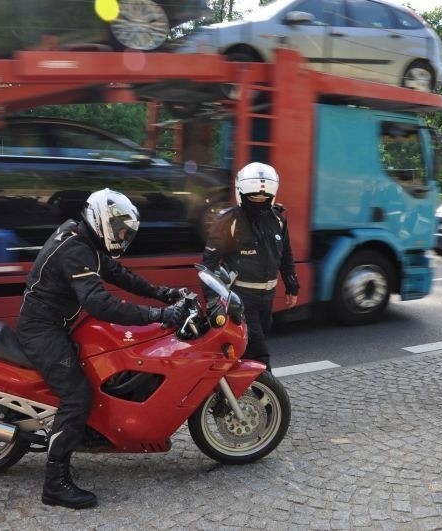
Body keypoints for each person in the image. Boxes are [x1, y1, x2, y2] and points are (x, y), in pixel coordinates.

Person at [16, 189, 187, 509]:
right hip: (42, 330)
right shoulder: (76, 249)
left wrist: (164, 293)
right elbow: (99, 302)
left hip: (56, 323)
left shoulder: (84, 238)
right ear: (103, 222)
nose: (123, 237)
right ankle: (55, 485)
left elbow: (118, 274)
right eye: (121, 230)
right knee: (77, 396)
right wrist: (157, 315)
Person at [202, 162, 300, 371]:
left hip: (268, 298)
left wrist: (292, 286)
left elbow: (286, 255)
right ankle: (269, 399)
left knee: (248, 352)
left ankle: (233, 394)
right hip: (241, 299)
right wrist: (212, 302)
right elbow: (208, 265)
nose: (259, 201)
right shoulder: (228, 221)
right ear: (241, 193)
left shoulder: (278, 221)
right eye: (253, 197)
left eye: (264, 198)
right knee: (260, 355)